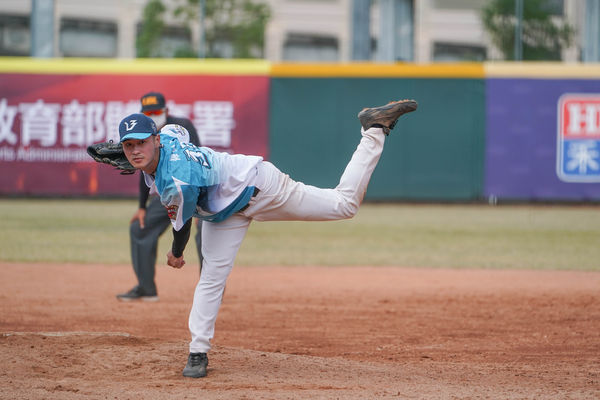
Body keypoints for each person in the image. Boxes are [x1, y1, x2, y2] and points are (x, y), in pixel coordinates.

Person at [117, 99, 418, 377]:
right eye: (128, 146)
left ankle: (373, 129)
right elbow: (177, 129)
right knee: (211, 277)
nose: (134, 151)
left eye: (141, 142)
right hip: (222, 214)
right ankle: (198, 352)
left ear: (156, 140)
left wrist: (176, 253)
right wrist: (141, 156)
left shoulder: (177, 182)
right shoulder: (168, 135)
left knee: (344, 205)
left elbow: (182, 228)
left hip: (260, 188)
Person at [116, 91, 204, 302]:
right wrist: (142, 207)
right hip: (168, 193)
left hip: (197, 191)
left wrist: (199, 209)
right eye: (148, 112)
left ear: (166, 111)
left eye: (156, 111)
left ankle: (209, 290)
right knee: (139, 227)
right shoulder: (142, 133)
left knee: (207, 233)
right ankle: (146, 288)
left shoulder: (182, 126)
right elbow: (143, 170)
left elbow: (199, 159)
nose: (152, 115)